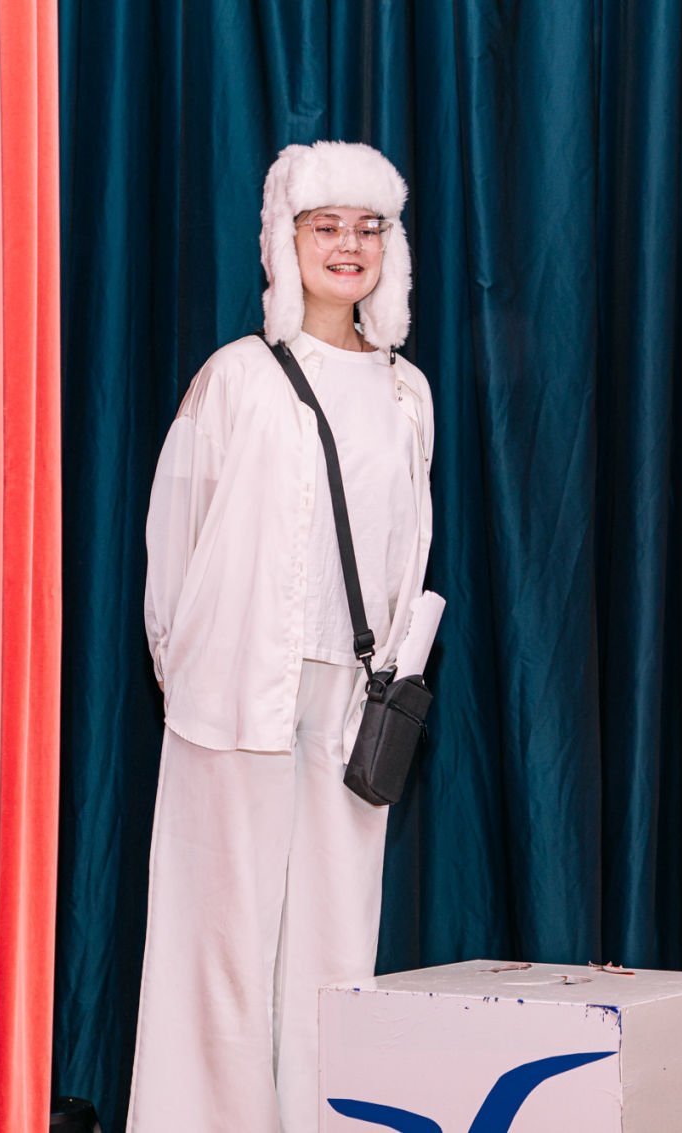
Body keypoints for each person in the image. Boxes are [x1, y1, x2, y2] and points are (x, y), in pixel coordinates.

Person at [127, 141, 435, 1132]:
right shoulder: (237, 376)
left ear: (389, 246)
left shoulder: (406, 392)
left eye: (366, 227)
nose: (347, 246)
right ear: (285, 240)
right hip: (229, 691)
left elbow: (408, 547)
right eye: (324, 225)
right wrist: (187, 667)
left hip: (350, 705)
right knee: (216, 939)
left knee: (336, 944)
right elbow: (174, 531)